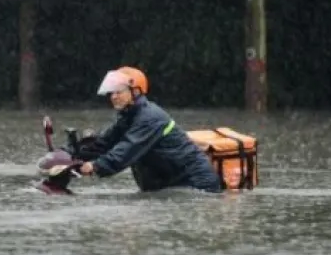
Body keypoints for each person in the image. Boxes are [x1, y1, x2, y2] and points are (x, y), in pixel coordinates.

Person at [73, 66, 223, 193]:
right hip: (167, 184)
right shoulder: (128, 116)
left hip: (195, 185)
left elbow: (127, 150)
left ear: (135, 92)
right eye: (112, 92)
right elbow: (104, 143)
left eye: (119, 91)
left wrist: (94, 166)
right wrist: (70, 154)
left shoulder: (150, 117)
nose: (113, 96)